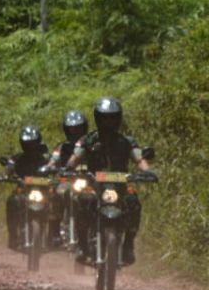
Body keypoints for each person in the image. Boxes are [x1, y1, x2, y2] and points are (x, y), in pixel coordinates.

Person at [64, 97, 155, 265]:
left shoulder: (127, 141)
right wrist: (68, 167)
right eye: (105, 117)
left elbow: (139, 157)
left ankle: (128, 245)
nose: (109, 121)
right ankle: (83, 246)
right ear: (98, 118)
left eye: (112, 117)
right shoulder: (88, 140)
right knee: (84, 199)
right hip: (94, 184)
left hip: (121, 185)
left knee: (133, 201)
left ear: (118, 118)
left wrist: (147, 171)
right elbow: (75, 156)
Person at [43, 110, 91, 249]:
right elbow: (54, 159)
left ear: (84, 127)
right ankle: (54, 231)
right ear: (66, 129)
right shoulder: (62, 146)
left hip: (87, 180)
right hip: (66, 179)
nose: (75, 131)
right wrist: (49, 167)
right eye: (71, 128)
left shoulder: (89, 144)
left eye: (78, 128)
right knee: (56, 194)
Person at [4, 125, 49, 251]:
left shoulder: (45, 159)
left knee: (57, 201)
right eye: (27, 144)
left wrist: (56, 175)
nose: (30, 147)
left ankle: (55, 235)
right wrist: (7, 174)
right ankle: (13, 236)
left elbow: (54, 168)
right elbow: (9, 168)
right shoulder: (17, 158)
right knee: (12, 201)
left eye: (33, 143)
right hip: (23, 190)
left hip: (43, 190)